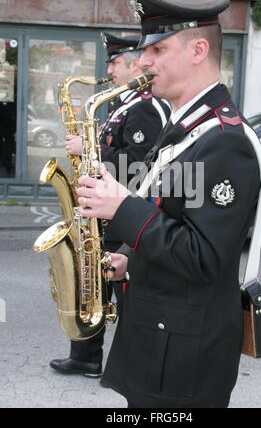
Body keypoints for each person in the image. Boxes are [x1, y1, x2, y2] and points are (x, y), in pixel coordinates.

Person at [75, 0, 261, 408]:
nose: (142, 61)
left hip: (181, 360)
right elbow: (171, 208)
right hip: (161, 341)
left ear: (198, 50)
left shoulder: (225, 141)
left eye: (157, 48)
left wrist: (121, 208)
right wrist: (129, 256)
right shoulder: (186, 123)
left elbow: (202, 256)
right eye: (144, 50)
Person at [49, 32, 170, 379]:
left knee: (122, 285)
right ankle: (86, 354)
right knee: (94, 281)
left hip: (123, 209)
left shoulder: (146, 107)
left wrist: (89, 152)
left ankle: (135, 362)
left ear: (135, 64)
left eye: (116, 62)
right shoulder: (123, 105)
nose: (110, 69)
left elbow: (137, 166)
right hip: (107, 210)